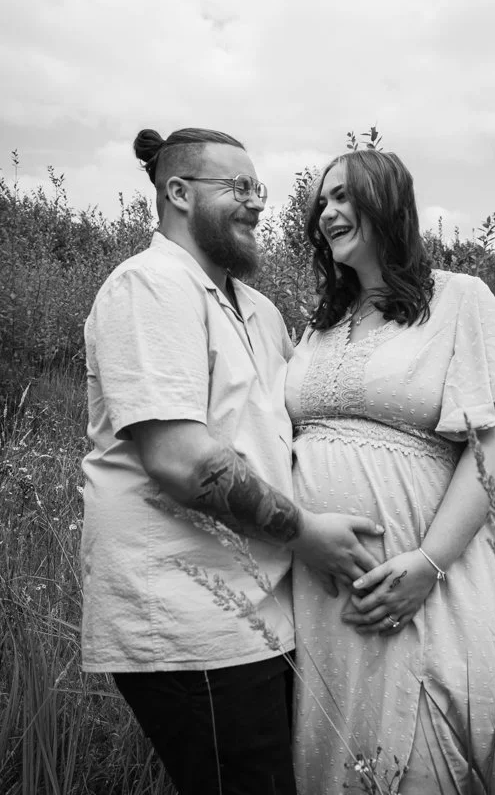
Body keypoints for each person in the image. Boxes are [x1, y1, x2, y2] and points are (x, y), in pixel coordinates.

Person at [81, 127, 383, 795]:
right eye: (238, 187)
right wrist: (307, 533)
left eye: (260, 190)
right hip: (193, 623)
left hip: (266, 613)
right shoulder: (150, 287)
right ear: (179, 194)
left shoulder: (259, 311)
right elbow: (182, 460)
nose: (256, 202)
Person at [285, 149, 495, 795]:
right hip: (326, 598)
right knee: (339, 758)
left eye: (343, 197)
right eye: (322, 202)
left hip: (430, 585)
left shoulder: (459, 299)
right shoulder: (319, 326)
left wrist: (426, 564)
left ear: (386, 203)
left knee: (425, 759)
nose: (327, 213)